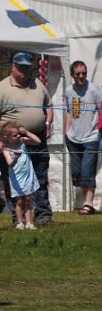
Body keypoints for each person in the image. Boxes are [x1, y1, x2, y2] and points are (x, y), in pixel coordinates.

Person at [0, 52, 54, 225]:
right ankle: (18, 219)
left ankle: (43, 216)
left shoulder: (38, 84)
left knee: (39, 178)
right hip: (11, 141)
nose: (24, 71)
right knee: (14, 181)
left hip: (36, 138)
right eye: (21, 67)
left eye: (27, 67)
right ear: (13, 67)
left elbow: (50, 105)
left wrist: (47, 123)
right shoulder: (1, 88)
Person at [63, 60, 102, 214]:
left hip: (90, 137)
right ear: (72, 75)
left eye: (84, 73)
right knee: (77, 172)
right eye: (78, 74)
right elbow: (68, 111)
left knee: (87, 171)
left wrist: (99, 128)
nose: (81, 76)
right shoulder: (68, 91)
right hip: (72, 138)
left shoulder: (94, 90)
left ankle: (88, 204)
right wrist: (66, 131)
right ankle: (85, 202)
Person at [0, 121, 40, 230]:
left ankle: (29, 222)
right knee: (19, 200)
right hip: (17, 177)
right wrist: (16, 157)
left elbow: (38, 141)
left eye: (18, 134)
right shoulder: (6, 149)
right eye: (14, 135)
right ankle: (19, 222)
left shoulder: (22, 142)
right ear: (6, 137)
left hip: (28, 175)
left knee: (27, 199)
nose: (18, 136)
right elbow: (10, 164)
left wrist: (27, 132)